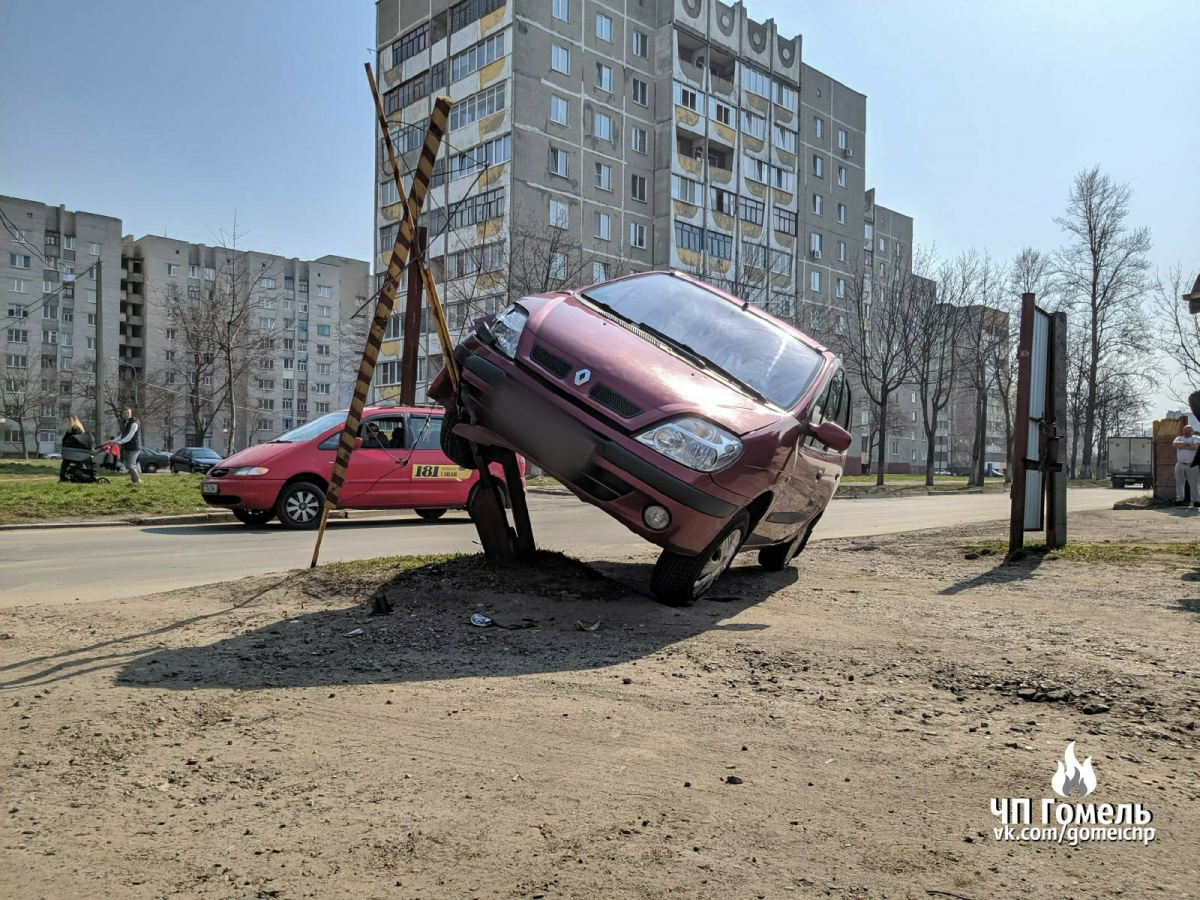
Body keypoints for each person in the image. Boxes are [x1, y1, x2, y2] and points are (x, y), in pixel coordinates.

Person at [59, 414, 94, 481]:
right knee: (79, 464)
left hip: (72, 452)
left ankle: (63, 478)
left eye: (67, 421)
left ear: (71, 421)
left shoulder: (74, 429)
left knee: (65, 464)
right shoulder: (80, 429)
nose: (66, 423)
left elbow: (72, 440)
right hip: (78, 453)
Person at [1172, 424, 1200, 506]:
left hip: (1192, 464)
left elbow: (1196, 446)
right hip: (1180, 463)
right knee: (1179, 482)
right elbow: (1174, 444)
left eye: (1189, 430)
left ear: (1192, 431)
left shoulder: (1196, 438)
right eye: (1185, 430)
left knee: (1194, 483)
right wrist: (1188, 445)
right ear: (1183, 431)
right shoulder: (1179, 438)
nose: (1187, 432)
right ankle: (1179, 499)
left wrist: (1182, 446)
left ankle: (1196, 501)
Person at [115, 407, 144, 484]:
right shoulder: (126, 423)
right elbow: (122, 435)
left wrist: (120, 442)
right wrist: (113, 441)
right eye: (125, 413)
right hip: (128, 446)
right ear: (122, 414)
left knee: (131, 465)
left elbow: (130, 436)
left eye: (128, 413)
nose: (126, 414)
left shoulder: (134, 423)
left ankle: (138, 481)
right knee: (129, 465)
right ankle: (135, 481)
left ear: (130, 414)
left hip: (135, 446)